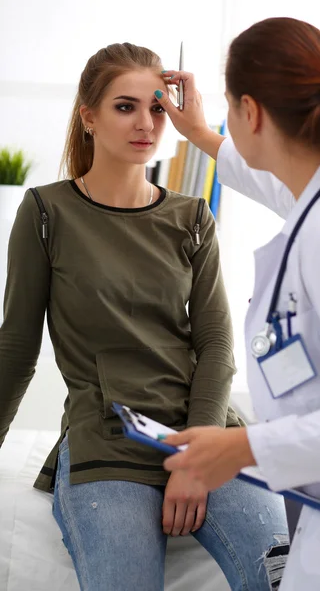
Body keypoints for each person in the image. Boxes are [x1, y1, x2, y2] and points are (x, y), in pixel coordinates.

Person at [0, 42, 289, 591]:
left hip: (207, 436)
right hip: (107, 446)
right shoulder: (45, 212)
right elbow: (15, 349)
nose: (146, 123)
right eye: (124, 106)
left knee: (284, 578)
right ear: (88, 116)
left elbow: (216, 345)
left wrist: (196, 458)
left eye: (158, 107)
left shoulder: (191, 216)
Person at [154, 16, 320, 591]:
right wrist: (199, 134)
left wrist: (243, 447)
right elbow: (275, 182)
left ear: (251, 111)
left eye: (229, 109)